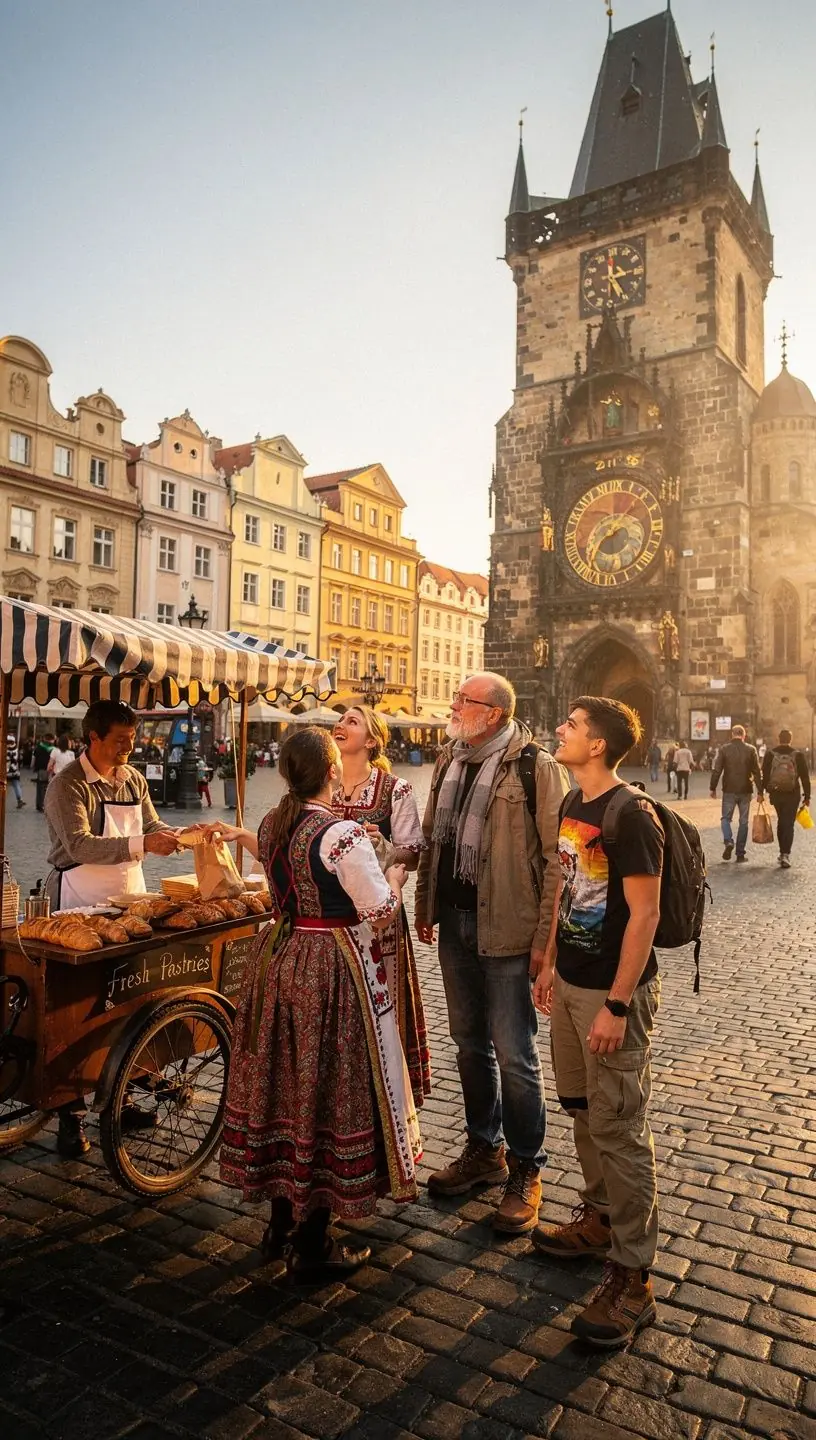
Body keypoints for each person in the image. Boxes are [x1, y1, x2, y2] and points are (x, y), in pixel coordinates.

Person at [214, 727, 420, 1280]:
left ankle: (280, 1222)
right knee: (328, 1089)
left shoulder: (272, 823)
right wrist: (395, 877)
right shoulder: (342, 834)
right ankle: (313, 1239)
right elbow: (379, 912)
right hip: (330, 965)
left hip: (279, 960)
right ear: (331, 771)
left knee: (285, 1084)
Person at [415, 672, 570, 1234]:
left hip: (508, 927)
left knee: (514, 1054)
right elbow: (434, 838)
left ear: (495, 713)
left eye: (465, 699)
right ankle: (484, 1148)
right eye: (457, 697)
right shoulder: (449, 759)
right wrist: (425, 902)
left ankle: (527, 1167)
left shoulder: (536, 767)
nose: (454, 705)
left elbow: (557, 861)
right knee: (468, 1045)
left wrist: (545, 941)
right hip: (456, 922)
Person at [531, 696, 663, 1348]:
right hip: (571, 982)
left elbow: (645, 914)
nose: (561, 729)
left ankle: (634, 1278)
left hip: (611, 994)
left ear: (599, 744)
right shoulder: (571, 803)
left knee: (619, 1127)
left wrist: (617, 1004)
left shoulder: (631, 815)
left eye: (573, 725)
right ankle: (600, 1218)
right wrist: (551, 961)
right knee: (583, 1110)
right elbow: (567, 887)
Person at [43, 699, 181, 1157]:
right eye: (121, 740)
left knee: (128, 1000)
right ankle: (70, 1115)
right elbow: (79, 845)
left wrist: (179, 835)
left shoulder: (133, 779)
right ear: (93, 737)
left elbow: (151, 823)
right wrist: (144, 842)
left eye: (132, 738)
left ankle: (121, 1099)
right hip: (79, 902)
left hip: (130, 901)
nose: (130, 747)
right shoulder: (68, 785)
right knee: (77, 1010)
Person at [332, 705, 431, 1106]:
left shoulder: (395, 789)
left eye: (352, 721)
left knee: (378, 1006)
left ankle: (382, 1097)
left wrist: (384, 846)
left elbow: (413, 855)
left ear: (371, 741)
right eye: (341, 719)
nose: (341, 724)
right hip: (330, 913)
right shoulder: (323, 780)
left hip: (378, 919)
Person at [710, 724, 763, 862]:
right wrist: (760, 791)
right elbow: (757, 772)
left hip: (729, 789)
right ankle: (740, 854)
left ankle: (728, 841)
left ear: (732, 735)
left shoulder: (724, 749)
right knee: (743, 822)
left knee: (725, 818)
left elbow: (717, 770)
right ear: (744, 735)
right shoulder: (751, 749)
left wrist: (712, 787)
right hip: (745, 790)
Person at [762, 728, 811, 869]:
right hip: (793, 793)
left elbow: (765, 774)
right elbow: (805, 777)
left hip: (776, 793)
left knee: (781, 821)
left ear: (779, 739)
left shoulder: (770, 754)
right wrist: (807, 796)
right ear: (791, 739)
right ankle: (785, 854)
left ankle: (781, 851)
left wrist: (762, 791)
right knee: (788, 823)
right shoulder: (798, 755)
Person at [6, 739, 25, 809]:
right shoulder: (16, 749)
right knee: (16, 785)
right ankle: (20, 800)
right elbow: (19, 759)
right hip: (14, 770)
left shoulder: (5, 749)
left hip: (6, 770)